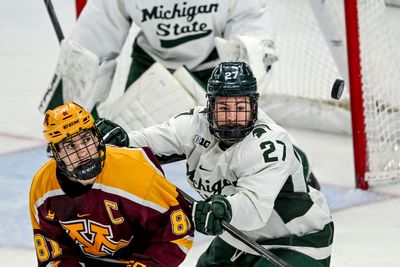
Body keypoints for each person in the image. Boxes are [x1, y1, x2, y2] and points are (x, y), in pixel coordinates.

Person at [97, 62, 334, 266]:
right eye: (224, 108)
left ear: (254, 106)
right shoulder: (193, 124)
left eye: (240, 108)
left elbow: (253, 209)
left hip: (298, 239)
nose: (232, 117)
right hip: (239, 236)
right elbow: (149, 142)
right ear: (210, 106)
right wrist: (123, 140)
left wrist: (224, 209)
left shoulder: (268, 143)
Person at [38, 0, 277, 127]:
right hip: (152, 63)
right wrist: (69, 114)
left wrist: (240, 83)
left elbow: (250, 28)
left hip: (215, 69)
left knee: (247, 152)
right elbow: (90, 47)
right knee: (120, 152)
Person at [29, 101, 194, 267]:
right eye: (70, 146)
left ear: (96, 136)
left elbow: (177, 233)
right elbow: (55, 252)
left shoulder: (134, 170)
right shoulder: (44, 187)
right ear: (55, 153)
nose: (83, 152)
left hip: (140, 259)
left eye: (86, 139)